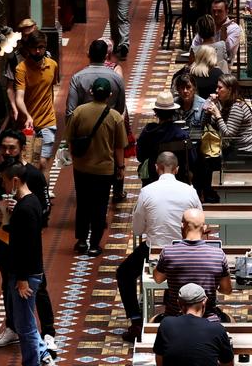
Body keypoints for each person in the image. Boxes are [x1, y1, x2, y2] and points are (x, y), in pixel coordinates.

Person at [0, 130, 57, 354]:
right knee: (7, 283)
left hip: (27, 240)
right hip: (4, 237)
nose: (7, 152)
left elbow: (44, 208)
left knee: (38, 286)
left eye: (12, 148)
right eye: (4, 147)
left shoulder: (32, 175)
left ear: (22, 148)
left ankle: (49, 331)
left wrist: (21, 210)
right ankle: (12, 327)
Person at [118, 152, 202, 342]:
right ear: (177, 169)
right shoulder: (190, 191)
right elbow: (199, 222)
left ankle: (136, 321)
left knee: (124, 274)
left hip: (154, 251)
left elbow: (137, 229)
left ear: (157, 168)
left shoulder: (147, 191)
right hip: (185, 250)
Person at [0, 161, 52, 366]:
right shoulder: (30, 203)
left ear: (16, 181)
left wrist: (21, 279)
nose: (4, 184)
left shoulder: (25, 209)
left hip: (26, 275)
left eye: (5, 180)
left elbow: (25, 247)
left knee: (24, 323)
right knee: (26, 319)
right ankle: (42, 354)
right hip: (28, 272)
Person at [64, 78, 127, 256]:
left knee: (83, 204)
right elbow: (119, 147)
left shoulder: (78, 112)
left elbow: (70, 139)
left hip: (81, 168)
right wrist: (120, 167)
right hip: (104, 170)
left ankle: (82, 241)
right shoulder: (115, 117)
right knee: (100, 206)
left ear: (91, 92)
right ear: (109, 95)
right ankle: (94, 245)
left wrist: (75, 158)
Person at [153, 208, 232, 318]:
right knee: (230, 319)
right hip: (208, 320)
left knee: (153, 319)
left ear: (182, 226)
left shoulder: (168, 252)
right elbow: (227, 290)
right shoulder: (218, 254)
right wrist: (215, 285)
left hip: (174, 318)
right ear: (204, 228)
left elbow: (157, 279)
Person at [14, 32, 59, 175]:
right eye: (34, 48)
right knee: (29, 163)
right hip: (29, 124)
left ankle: (43, 196)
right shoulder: (21, 69)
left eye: (41, 47)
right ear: (28, 48)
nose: (38, 51)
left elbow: (51, 88)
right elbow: (19, 97)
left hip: (48, 121)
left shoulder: (53, 66)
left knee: (43, 162)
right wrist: (27, 116)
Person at [136, 91, 194, 186]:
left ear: (156, 112)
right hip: (178, 180)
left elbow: (140, 156)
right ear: (173, 112)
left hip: (153, 179)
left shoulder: (148, 132)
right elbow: (191, 159)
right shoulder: (182, 135)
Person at [66, 39, 127, 118]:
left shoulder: (77, 78)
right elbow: (120, 109)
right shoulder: (117, 78)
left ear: (89, 55)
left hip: (84, 126)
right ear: (106, 56)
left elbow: (70, 110)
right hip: (109, 125)